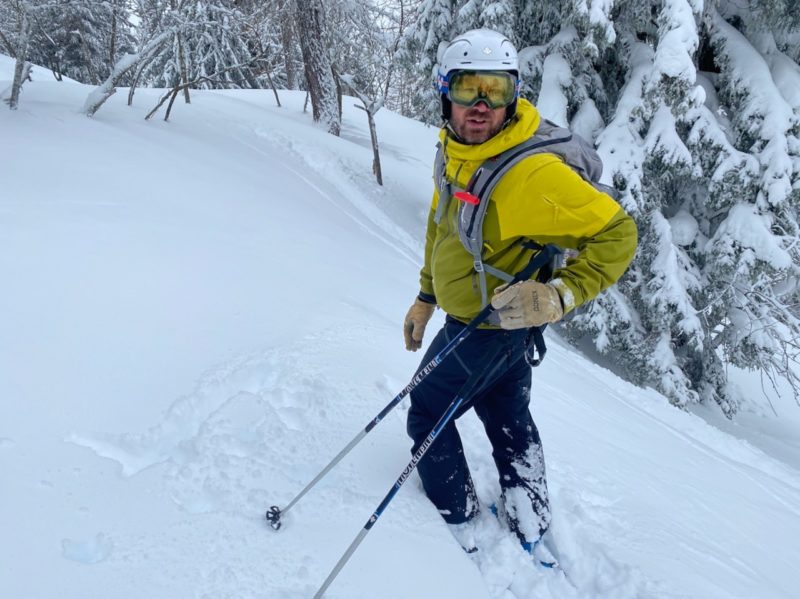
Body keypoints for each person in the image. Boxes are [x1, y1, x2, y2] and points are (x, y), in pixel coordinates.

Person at [402, 29, 637, 560]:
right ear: (445, 93)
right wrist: (425, 295)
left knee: (427, 412)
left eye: (497, 90)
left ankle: (458, 520)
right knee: (507, 414)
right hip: (501, 330)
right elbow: (442, 226)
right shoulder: (455, 151)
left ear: (515, 95)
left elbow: (619, 233)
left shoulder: (529, 176)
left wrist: (562, 295)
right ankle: (531, 517)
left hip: (484, 330)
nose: (481, 105)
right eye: (468, 89)